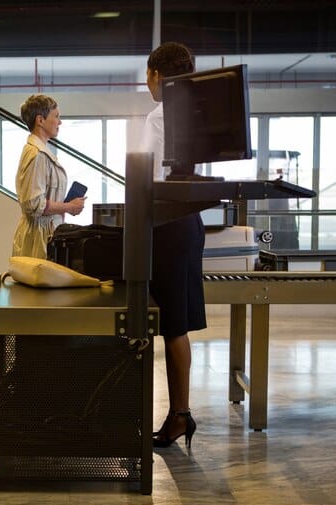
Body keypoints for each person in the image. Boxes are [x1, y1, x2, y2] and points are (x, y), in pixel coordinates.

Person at [140, 42, 205, 448]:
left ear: (156, 75)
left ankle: (180, 415)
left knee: (171, 326)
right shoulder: (195, 113)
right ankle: (180, 413)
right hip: (189, 222)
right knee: (175, 327)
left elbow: (148, 173)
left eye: (147, 76)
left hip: (168, 225)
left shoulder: (159, 115)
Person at [12, 94, 85, 258]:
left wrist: (66, 206)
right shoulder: (37, 155)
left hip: (45, 234)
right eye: (56, 116)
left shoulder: (40, 152)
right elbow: (34, 204)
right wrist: (69, 206)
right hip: (39, 238)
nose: (60, 122)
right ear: (40, 120)